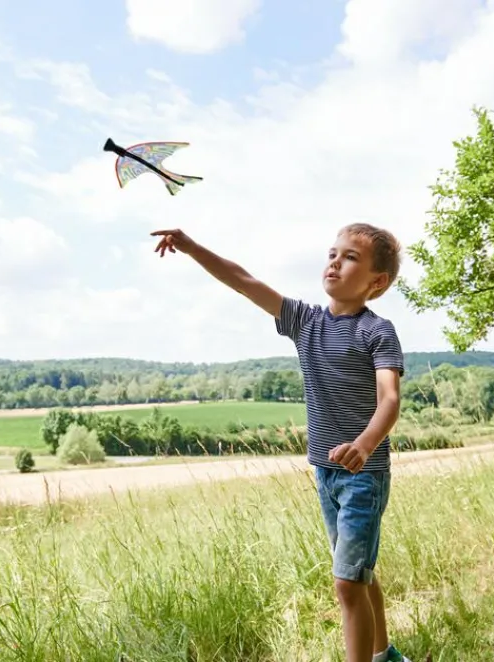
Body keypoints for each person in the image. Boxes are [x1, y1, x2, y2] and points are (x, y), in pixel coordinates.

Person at [151, 223, 410, 662]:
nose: (334, 261)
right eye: (332, 253)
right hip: (325, 473)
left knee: (347, 583)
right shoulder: (305, 322)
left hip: (363, 474)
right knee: (359, 574)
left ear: (376, 281)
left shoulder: (377, 331)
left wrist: (364, 445)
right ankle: (386, 656)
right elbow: (244, 281)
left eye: (349, 257)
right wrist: (192, 246)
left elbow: (389, 399)